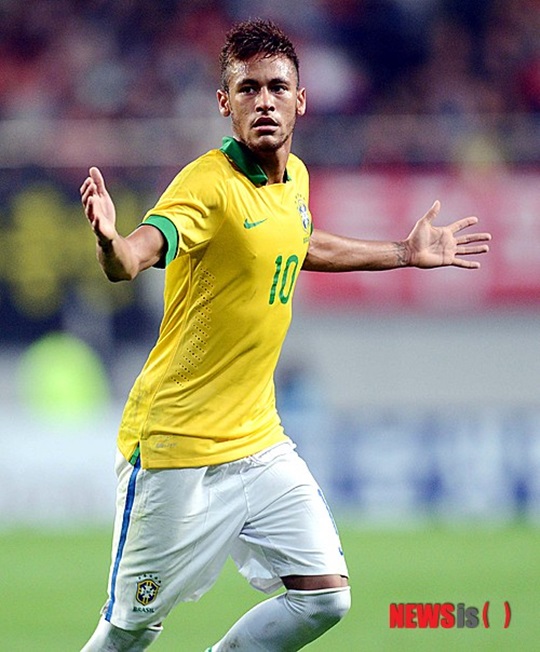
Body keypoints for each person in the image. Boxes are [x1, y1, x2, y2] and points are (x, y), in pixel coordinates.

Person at [79, 18, 491, 652]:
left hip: (257, 441)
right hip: (175, 447)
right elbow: (134, 256)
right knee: (128, 635)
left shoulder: (293, 176)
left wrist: (402, 253)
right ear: (225, 103)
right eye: (248, 89)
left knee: (325, 597)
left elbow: (296, 241)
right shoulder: (207, 185)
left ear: (301, 99)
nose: (264, 102)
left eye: (277, 88)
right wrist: (112, 242)